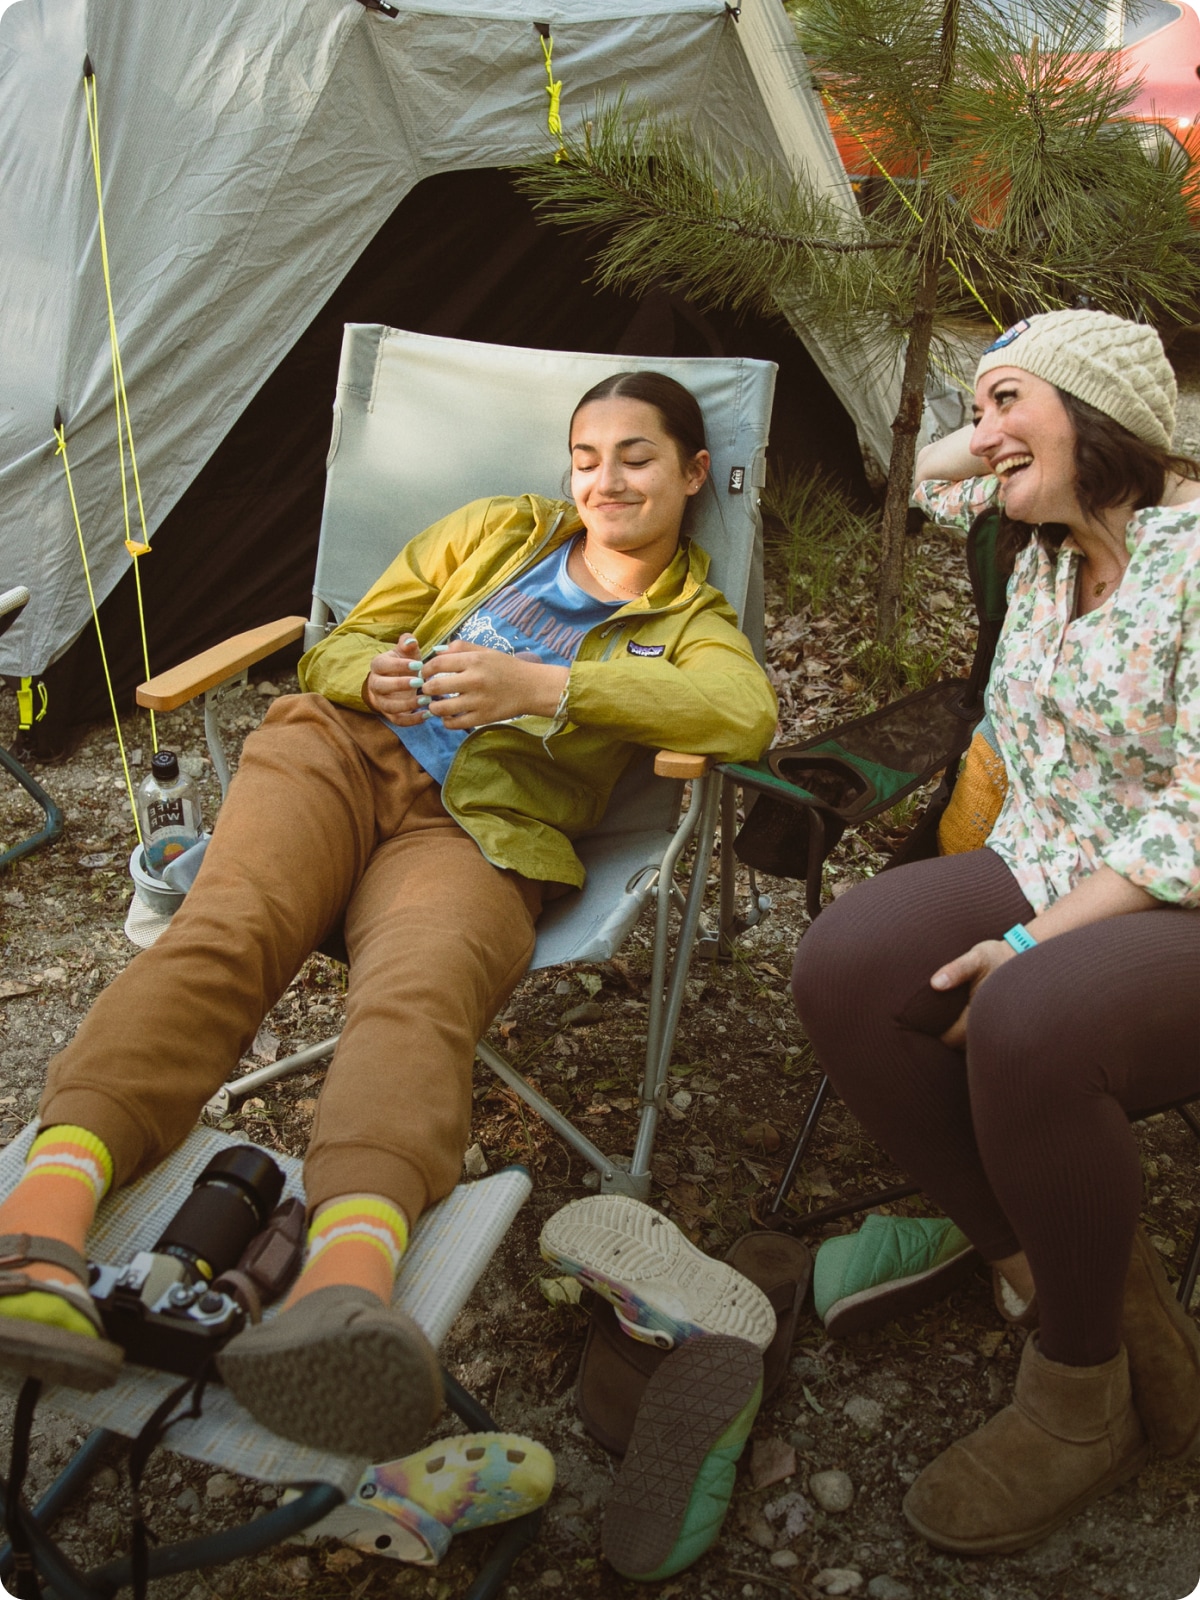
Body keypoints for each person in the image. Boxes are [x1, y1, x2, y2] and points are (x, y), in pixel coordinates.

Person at [0, 370, 777, 1461]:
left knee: (415, 998)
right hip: (339, 759)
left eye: (637, 457)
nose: (607, 480)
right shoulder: (498, 531)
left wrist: (537, 687)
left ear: (694, 473)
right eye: (588, 457)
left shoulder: (687, 621)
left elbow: (744, 712)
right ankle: (33, 1233)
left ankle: (342, 1292)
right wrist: (386, 677)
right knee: (229, 931)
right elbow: (336, 647)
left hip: (478, 837)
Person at [791, 309, 1200, 1554]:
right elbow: (900, 474)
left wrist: (1029, 946)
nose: (981, 434)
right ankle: (1076, 1275)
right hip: (1055, 853)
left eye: (1006, 398)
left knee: (1024, 1017)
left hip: (1183, 881)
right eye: (976, 408)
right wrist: (1001, 440)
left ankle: (1081, 1391)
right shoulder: (1038, 549)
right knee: (846, 966)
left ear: (1100, 411)